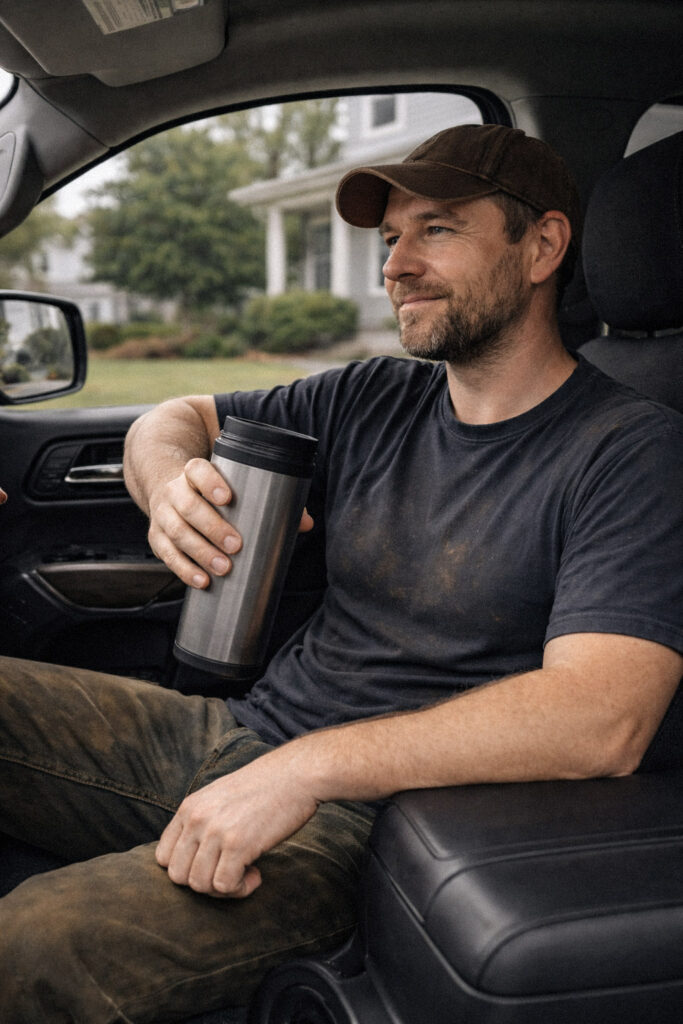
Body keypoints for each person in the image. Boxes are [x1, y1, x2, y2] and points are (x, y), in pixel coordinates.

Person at [0, 124, 681, 1023]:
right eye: (390, 238)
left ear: (542, 246)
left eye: (436, 229)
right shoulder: (371, 396)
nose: (395, 266)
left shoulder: (632, 451)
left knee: (31, 943)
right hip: (235, 734)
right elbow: (175, 416)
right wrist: (167, 483)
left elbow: (600, 718)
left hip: (373, 824)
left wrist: (306, 771)